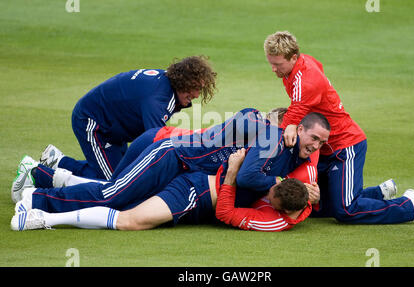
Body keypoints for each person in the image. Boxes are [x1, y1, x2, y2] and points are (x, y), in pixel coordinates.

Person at [263, 31, 414, 225]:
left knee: (346, 210)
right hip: (323, 146)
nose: (273, 69)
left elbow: (291, 122)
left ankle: (411, 206)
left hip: (345, 147)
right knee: (318, 204)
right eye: (271, 63)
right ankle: (379, 193)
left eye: (277, 64)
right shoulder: (300, 66)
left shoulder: (305, 82)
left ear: (294, 57)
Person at [11, 110, 325, 216]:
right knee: (114, 195)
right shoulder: (271, 135)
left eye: (322, 143)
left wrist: (303, 191)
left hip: (180, 167)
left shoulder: (288, 152)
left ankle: (40, 174)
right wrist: (284, 184)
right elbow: (248, 176)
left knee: (119, 196)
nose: (316, 146)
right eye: (314, 138)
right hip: (170, 154)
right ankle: (35, 198)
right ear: (298, 128)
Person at [11, 149, 312, 232]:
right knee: (126, 216)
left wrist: (231, 174)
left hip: (192, 185)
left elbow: (311, 166)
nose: (266, 197)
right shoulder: (272, 179)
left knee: (118, 193)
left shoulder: (281, 200)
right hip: (191, 193)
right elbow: (224, 212)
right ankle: (39, 213)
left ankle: (45, 180)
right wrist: (232, 176)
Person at [39, 55, 217, 180]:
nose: (196, 95)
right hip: (93, 123)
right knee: (113, 183)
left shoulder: (167, 84)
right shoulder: (157, 100)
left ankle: (56, 160)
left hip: (115, 128)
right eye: (194, 88)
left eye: (199, 89)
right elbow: (155, 143)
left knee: (121, 172)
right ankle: (41, 172)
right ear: (183, 81)